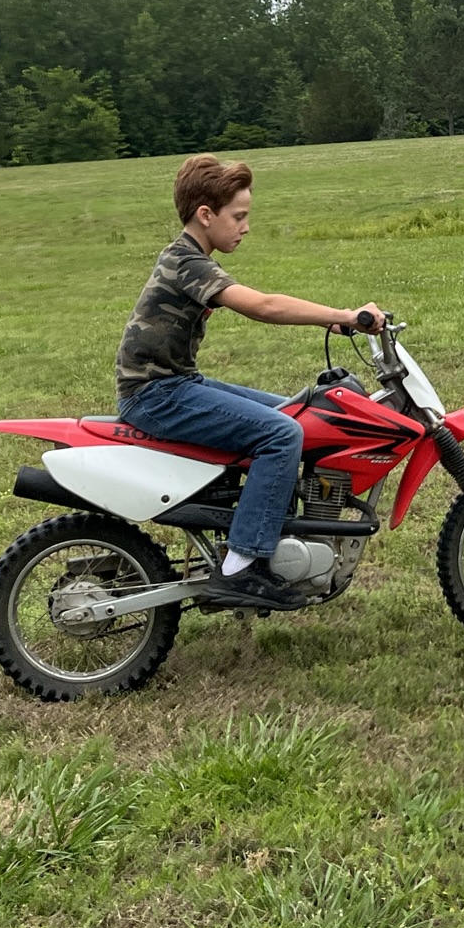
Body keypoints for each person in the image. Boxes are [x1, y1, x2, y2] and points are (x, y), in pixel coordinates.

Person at [115, 153, 383, 611]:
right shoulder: (186, 261)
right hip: (154, 395)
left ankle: (270, 539)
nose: (245, 226)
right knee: (282, 433)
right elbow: (264, 306)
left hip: (174, 382)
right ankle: (241, 568)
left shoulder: (189, 257)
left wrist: (340, 325)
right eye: (238, 216)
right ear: (206, 215)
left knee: (296, 414)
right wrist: (341, 314)